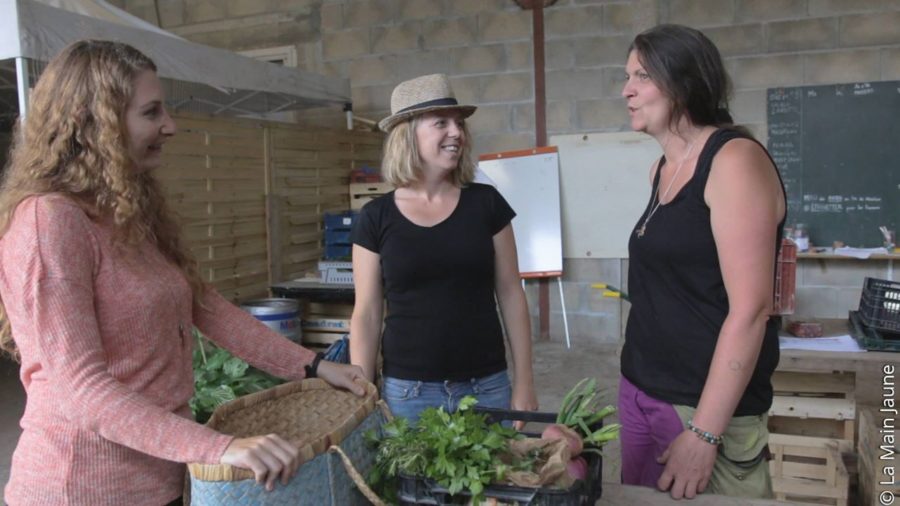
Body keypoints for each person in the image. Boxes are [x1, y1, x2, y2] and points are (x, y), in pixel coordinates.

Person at [0, 40, 366, 506]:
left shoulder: (125, 210)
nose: (169, 126)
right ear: (91, 121)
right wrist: (221, 447)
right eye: (151, 112)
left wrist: (313, 366)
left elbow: (205, 306)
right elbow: (80, 389)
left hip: (161, 477)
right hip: (79, 486)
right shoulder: (49, 221)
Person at [617, 24, 787, 499]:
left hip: (702, 407)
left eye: (642, 76)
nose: (626, 89)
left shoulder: (733, 160)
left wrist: (706, 432)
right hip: (641, 389)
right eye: (627, 75)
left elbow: (751, 310)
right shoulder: (661, 169)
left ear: (684, 83)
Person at [349, 73, 538, 426]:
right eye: (441, 123)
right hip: (408, 393)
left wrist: (524, 381)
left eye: (459, 124)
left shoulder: (487, 204)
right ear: (408, 136)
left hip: (486, 387)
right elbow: (368, 313)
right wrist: (362, 391)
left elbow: (511, 294)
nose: (457, 132)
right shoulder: (375, 218)